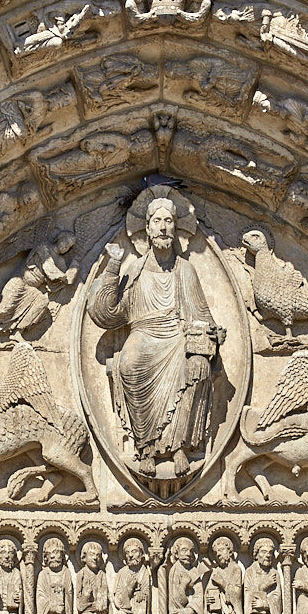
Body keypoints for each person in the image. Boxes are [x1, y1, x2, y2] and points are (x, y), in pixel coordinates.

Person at [88, 196, 225, 477]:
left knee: (196, 367)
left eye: (169, 221)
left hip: (176, 336)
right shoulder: (135, 271)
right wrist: (113, 267)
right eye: (157, 222)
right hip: (143, 334)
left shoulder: (185, 270)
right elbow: (108, 313)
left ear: (175, 229)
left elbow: (201, 314)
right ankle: (146, 448)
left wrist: (213, 332)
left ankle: (179, 448)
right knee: (129, 364)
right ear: (147, 229)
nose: (163, 228)